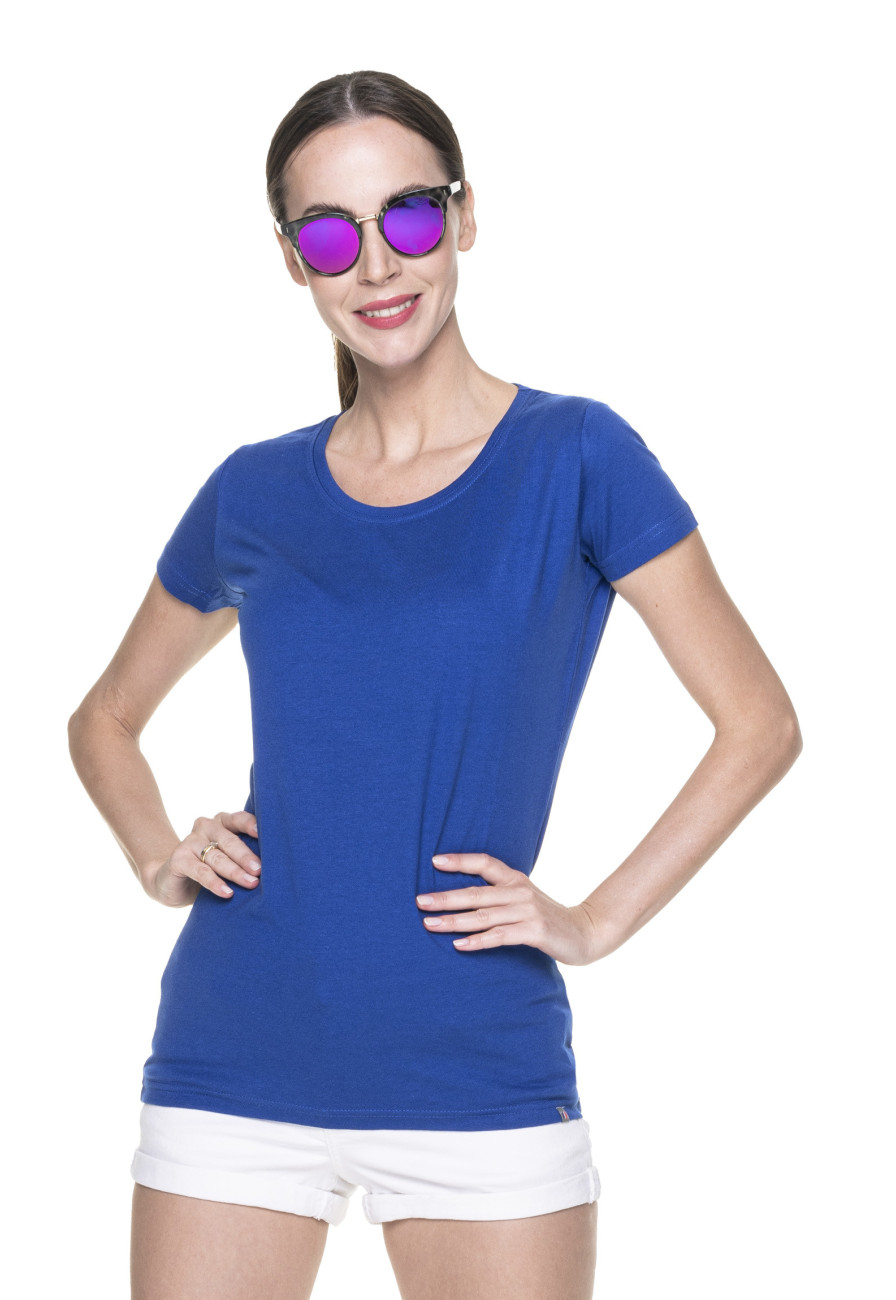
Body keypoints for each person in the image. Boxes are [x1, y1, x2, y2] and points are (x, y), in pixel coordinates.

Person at [68, 69, 802, 1300]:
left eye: (407, 215)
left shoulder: (577, 454)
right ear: (291, 261)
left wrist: (594, 921)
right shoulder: (253, 490)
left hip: (476, 1066)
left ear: (463, 217)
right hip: (234, 1052)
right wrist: (157, 858)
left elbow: (759, 723)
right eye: (328, 234)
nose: (376, 264)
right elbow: (103, 719)